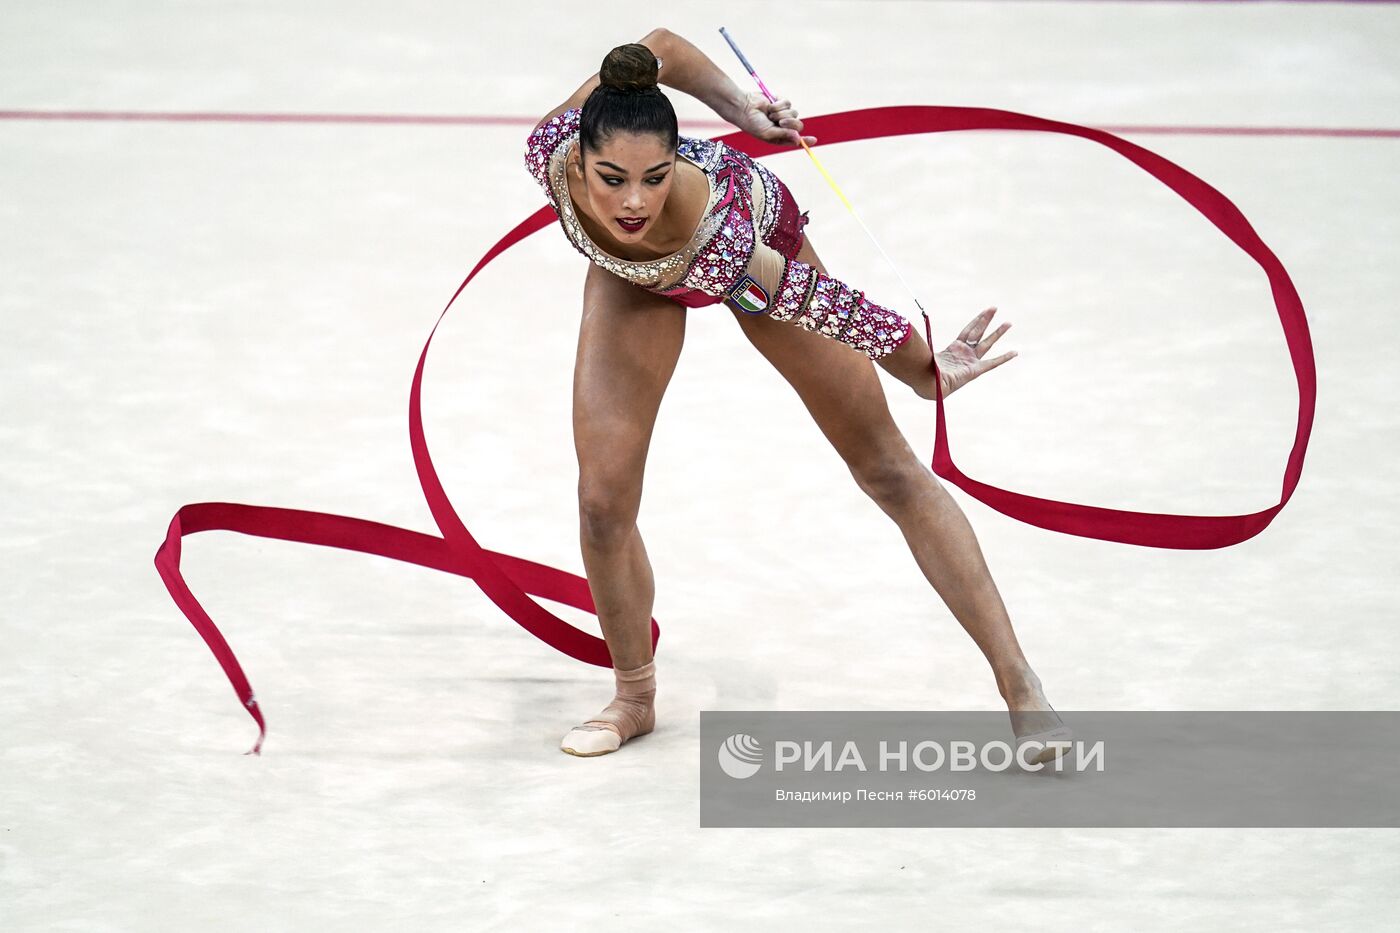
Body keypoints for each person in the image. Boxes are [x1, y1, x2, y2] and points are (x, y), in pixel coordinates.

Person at [525, 28, 1070, 761]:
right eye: (611, 177)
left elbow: (828, 303)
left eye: (655, 177)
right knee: (601, 504)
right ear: (576, 156)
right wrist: (743, 107)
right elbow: (657, 48)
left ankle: (1022, 686)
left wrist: (922, 370)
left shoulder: (721, 234)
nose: (632, 202)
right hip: (637, 283)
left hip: (747, 244)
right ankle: (634, 695)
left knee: (886, 468)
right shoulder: (548, 153)